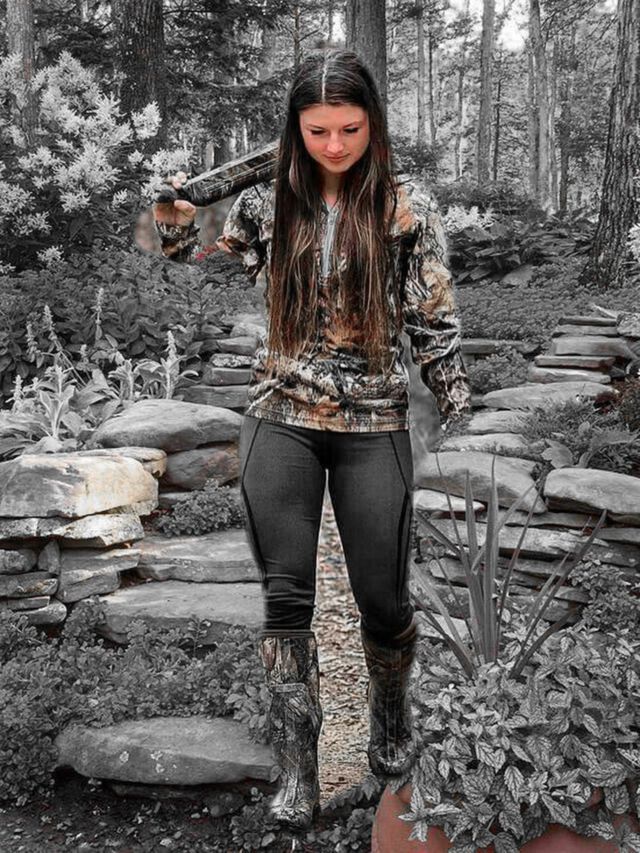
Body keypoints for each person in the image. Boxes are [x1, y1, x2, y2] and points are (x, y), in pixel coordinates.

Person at [152, 47, 472, 831]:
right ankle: (299, 763)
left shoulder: (406, 205)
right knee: (286, 595)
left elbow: (434, 318)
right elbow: (189, 261)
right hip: (280, 414)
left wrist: (457, 405)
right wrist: (172, 218)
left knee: (383, 597)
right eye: (317, 130)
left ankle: (389, 724)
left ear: (374, 124)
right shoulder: (264, 202)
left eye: (350, 129)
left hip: (374, 420)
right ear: (295, 128)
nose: (334, 145)